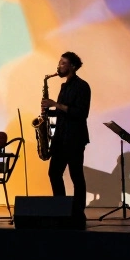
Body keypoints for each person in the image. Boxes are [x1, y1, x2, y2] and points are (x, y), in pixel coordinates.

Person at [43, 51, 91, 224]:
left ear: (72, 66)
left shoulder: (82, 86)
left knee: (76, 176)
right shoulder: (64, 86)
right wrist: (48, 112)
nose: (59, 66)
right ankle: (61, 209)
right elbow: (64, 111)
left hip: (75, 138)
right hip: (61, 137)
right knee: (54, 173)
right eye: (59, 62)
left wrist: (55, 105)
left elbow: (80, 113)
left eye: (63, 63)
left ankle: (78, 212)